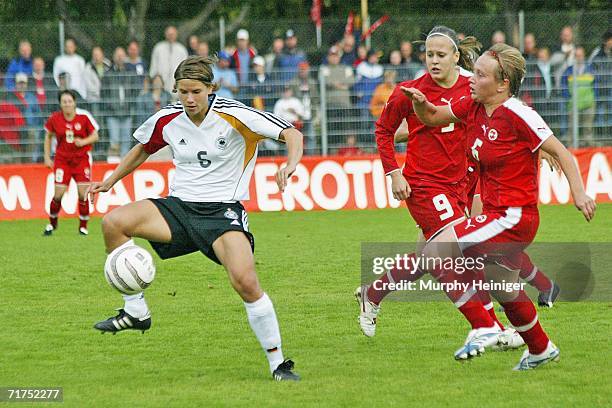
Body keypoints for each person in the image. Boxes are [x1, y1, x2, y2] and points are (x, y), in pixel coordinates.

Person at [87, 56, 303, 381]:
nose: (189, 99)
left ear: (210, 88)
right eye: (182, 92)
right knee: (113, 223)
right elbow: (143, 148)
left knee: (246, 282)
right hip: (180, 209)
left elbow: (292, 134)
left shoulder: (235, 114)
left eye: (196, 92)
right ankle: (135, 311)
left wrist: (291, 164)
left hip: (222, 212)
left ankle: (277, 364)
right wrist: (111, 180)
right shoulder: (167, 119)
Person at [402, 43, 595, 370]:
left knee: (435, 252)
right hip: (494, 215)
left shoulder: (518, 113)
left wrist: (580, 194)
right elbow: (433, 117)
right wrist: (421, 105)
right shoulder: (474, 105)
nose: (472, 79)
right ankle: (540, 348)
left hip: (514, 216)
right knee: (502, 285)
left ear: (502, 83)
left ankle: (484, 326)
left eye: (480, 74)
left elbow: (562, 151)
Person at [43, 89, 99, 236]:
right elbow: (48, 137)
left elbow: (95, 136)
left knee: (83, 194)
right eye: (64, 102)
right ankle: (52, 223)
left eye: (69, 101)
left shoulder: (84, 117)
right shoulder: (55, 119)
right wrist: (47, 157)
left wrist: (83, 141)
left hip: (81, 160)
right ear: (60, 104)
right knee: (58, 194)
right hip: (62, 160)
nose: (67, 104)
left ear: (74, 103)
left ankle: (83, 226)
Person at [102, 47, 139, 159]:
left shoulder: (130, 72)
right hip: (112, 113)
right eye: (118, 55)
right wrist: (110, 106)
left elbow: (135, 90)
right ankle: (113, 164)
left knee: (126, 139)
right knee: (114, 140)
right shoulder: (108, 74)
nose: (120, 57)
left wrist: (130, 105)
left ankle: (124, 164)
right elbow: (104, 93)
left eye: (122, 55)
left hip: (126, 112)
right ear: (113, 57)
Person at [150, 26, 189, 94]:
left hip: (177, 85)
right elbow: (153, 67)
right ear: (165, 34)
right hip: (161, 87)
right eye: (169, 34)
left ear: (176, 35)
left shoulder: (182, 49)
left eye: (172, 34)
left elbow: (186, 69)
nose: (171, 36)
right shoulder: (158, 48)